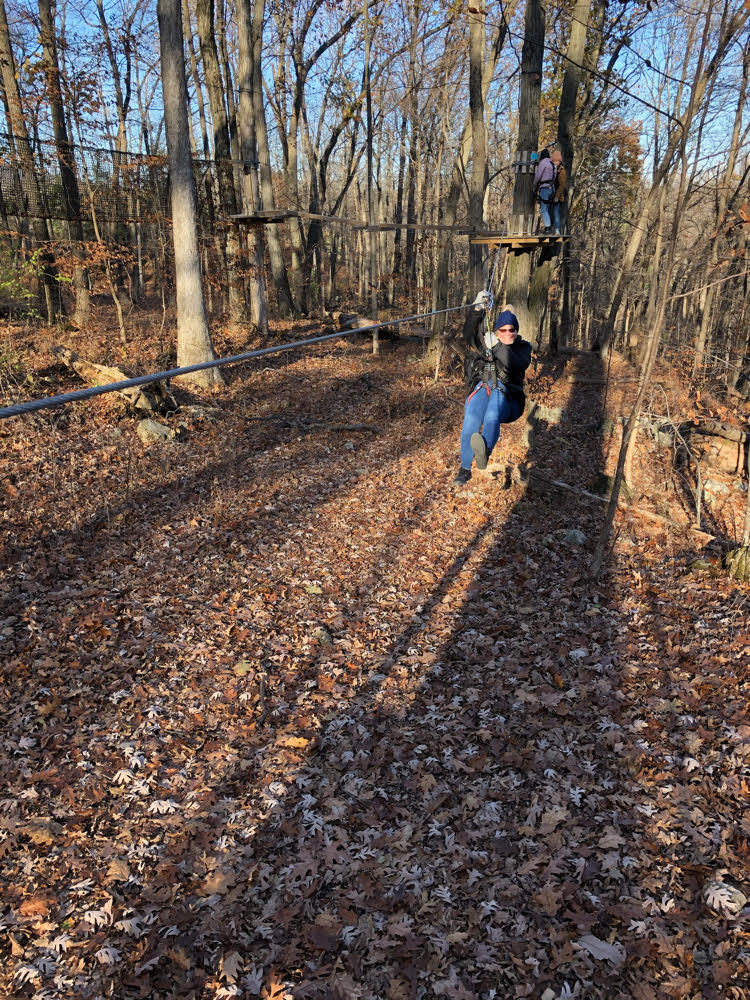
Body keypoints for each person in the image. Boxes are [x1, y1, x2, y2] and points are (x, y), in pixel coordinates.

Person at [454, 295, 532, 486]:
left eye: (511, 330)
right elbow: (469, 334)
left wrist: (496, 346)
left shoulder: (522, 348)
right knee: (471, 416)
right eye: (503, 330)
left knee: (492, 412)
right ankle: (464, 469)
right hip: (484, 387)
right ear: (497, 330)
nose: (507, 333)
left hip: (509, 401)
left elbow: (511, 361)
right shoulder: (488, 342)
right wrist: (477, 309)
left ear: (516, 330)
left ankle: (484, 452)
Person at [532, 148, 555, 234]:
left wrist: (534, 185)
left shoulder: (543, 163)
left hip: (545, 188)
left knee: (543, 209)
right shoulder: (552, 163)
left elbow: (538, 175)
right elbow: (554, 175)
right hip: (552, 188)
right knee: (548, 208)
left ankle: (548, 228)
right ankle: (549, 227)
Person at [550, 149, 567, 235]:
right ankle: (549, 230)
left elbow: (562, 185)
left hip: (558, 196)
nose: (556, 162)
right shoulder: (550, 168)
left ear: (560, 161)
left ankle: (557, 230)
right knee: (549, 213)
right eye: (554, 161)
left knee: (556, 213)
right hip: (550, 195)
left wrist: (557, 196)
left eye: (557, 161)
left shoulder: (562, 171)